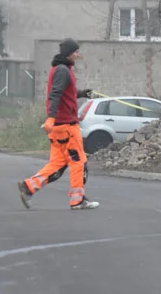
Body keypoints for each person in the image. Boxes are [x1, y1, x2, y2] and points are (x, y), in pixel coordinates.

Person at [18, 38, 100, 210]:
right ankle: (77, 200)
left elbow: (65, 93)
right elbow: (55, 94)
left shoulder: (60, 69)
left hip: (59, 128)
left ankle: (29, 187)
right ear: (70, 53)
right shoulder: (63, 70)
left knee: (58, 164)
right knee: (79, 162)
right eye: (76, 52)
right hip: (67, 127)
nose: (78, 55)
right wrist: (51, 117)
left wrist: (81, 93)